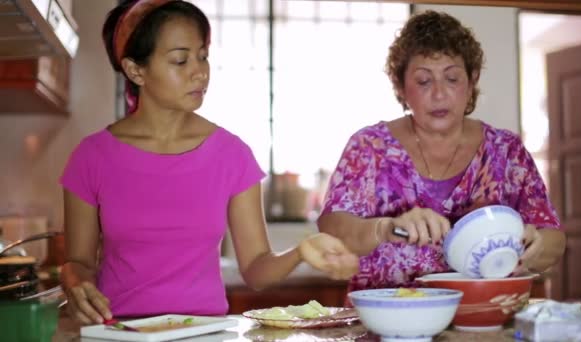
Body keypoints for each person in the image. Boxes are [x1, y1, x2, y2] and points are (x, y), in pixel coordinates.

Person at [60, 0, 359, 324]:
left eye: (203, 56)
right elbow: (79, 261)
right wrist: (75, 281)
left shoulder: (232, 155)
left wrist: (302, 251)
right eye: (180, 60)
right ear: (135, 70)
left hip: (203, 333)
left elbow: (256, 269)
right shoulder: (92, 157)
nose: (200, 71)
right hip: (118, 332)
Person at [317, 10, 566, 295]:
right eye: (424, 81)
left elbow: (553, 237)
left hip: (482, 320)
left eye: (452, 79)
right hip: (386, 323)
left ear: (472, 81)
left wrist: (535, 248)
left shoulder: (507, 152)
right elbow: (333, 230)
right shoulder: (369, 147)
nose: (438, 94)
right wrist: (386, 228)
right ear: (401, 86)